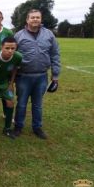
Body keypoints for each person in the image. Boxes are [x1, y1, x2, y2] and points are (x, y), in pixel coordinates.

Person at [14, 9, 61, 139]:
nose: (35, 19)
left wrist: (55, 74)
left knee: (38, 104)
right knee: (21, 103)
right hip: (23, 76)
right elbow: (12, 56)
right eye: (32, 17)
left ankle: (37, 127)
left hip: (41, 76)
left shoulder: (49, 35)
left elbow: (55, 54)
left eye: (38, 17)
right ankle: (18, 127)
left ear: (41, 19)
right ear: (27, 20)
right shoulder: (19, 36)